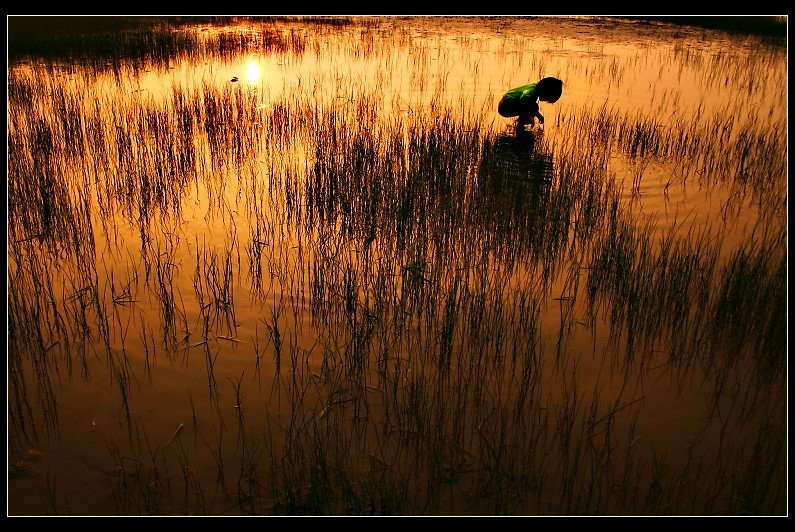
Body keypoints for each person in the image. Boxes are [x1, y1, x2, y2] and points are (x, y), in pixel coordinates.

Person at [498, 77, 563, 130]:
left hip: (506, 103)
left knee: (534, 107)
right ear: (546, 92)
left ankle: (520, 125)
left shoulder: (534, 87)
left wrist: (536, 114)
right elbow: (524, 100)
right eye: (548, 99)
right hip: (505, 106)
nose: (545, 101)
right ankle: (520, 127)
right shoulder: (532, 92)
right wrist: (530, 116)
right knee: (533, 108)